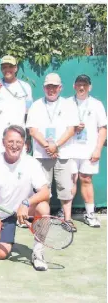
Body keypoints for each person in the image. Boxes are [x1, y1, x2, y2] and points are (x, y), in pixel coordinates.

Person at [0, 125, 51, 271]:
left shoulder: (31, 163)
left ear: (24, 144)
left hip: (24, 211)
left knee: (43, 207)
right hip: (2, 214)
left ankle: (38, 252)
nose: (14, 146)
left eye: (18, 142)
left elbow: (45, 191)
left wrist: (26, 203)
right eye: (10, 141)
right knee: (0, 254)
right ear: (3, 142)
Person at [26, 73, 79, 231]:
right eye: (49, 86)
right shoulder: (36, 105)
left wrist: (56, 145)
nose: (51, 89)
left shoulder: (69, 105)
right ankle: (44, 219)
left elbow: (72, 129)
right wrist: (48, 147)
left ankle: (67, 219)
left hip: (63, 153)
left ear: (60, 88)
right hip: (42, 155)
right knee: (44, 189)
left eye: (55, 87)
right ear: (44, 87)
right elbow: (33, 130)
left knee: (66, 188)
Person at [68, 75, 107, 228]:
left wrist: (98, 149)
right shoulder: (66, 104)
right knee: (70, 180)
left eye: (84, 84)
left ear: (89, 87)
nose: (81, 87)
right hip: (69, 150)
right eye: (79, 84)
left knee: (86, 180)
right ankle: (67, 215)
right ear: (74, 86)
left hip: (89, 151)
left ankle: (90, 214)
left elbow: (103, 129)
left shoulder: (97, 105)